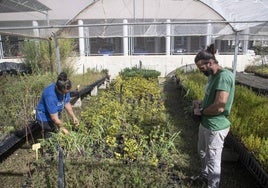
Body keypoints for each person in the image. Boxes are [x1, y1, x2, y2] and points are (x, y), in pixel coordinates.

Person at [192, 44, 235, 188]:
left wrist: (201, 111)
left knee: (213, 160)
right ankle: (204, 176)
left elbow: (219, 106)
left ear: (210, 63)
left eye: (202, 68)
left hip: (216, 127)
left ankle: (213, 185)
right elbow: (211, 99)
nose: (201, 71)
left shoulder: (224, 77)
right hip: (206, 124)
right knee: (202, 152)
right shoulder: (212, 75)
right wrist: (201, 103)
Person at [35, 72, 79, 138]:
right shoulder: (50, 95)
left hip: (55, 114)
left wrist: (73, 117)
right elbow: (54, 118)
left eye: (67, 92)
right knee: (52, 134)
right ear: (59, 90)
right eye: (64, 93)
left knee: (58, 130)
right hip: (44, 117)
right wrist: (64, 129)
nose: (66, 94)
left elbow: (66, 103)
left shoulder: (65, 88)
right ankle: (50, 144)